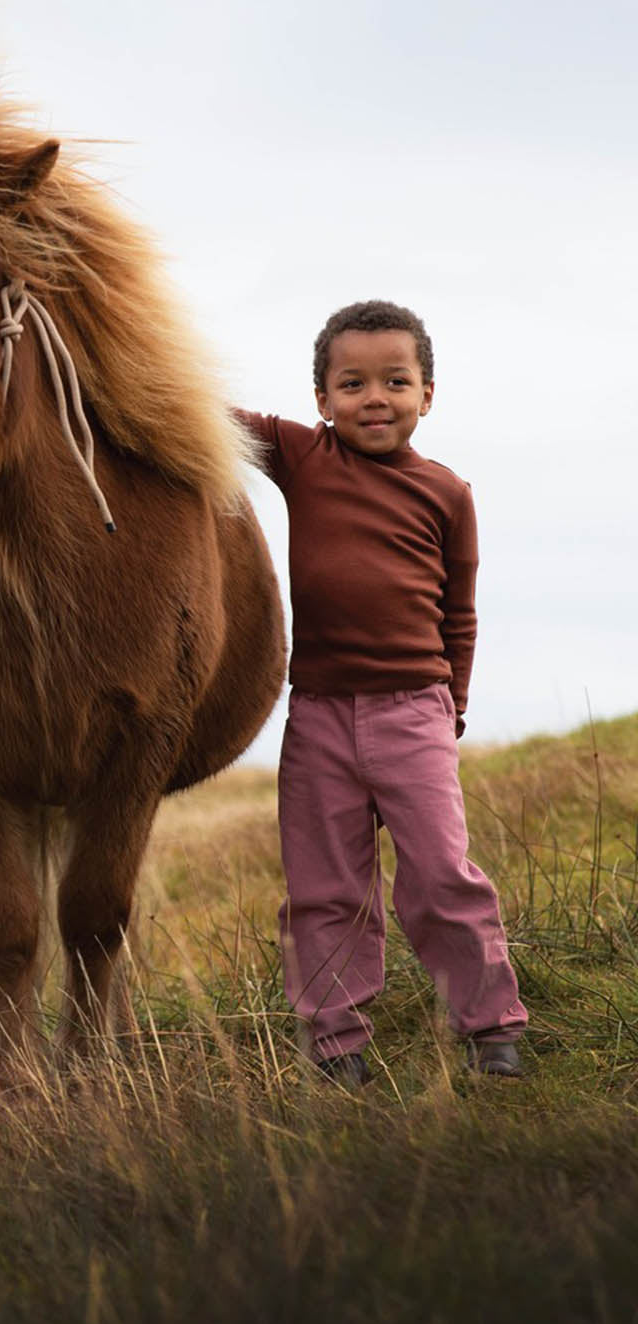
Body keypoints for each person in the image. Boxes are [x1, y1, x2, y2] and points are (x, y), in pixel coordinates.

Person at [239, 300, 527, 1088]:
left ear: (427, 394)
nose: (375, 397)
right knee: (325, 890)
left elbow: (458, 613)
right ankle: (337, 1047)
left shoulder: (448, 493)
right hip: (321, 716)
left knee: (442, 877)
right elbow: (199, 409)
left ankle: (492, 1030)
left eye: (396, 381)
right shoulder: (302, 458)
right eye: (353, 383)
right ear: (321, 400)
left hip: (415, 710)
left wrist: (451, 705)